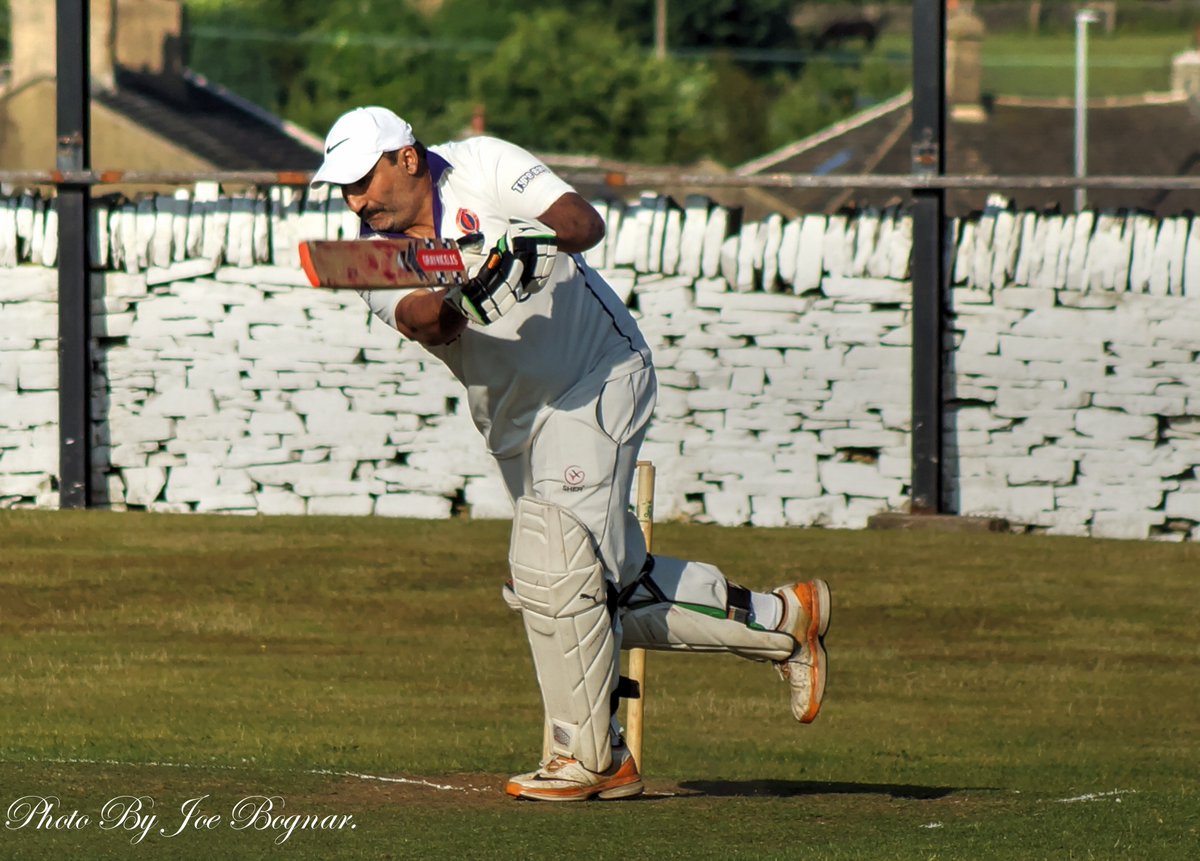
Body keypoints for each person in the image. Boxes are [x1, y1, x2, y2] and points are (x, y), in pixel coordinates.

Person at [310, 106, 832, 802]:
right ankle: (785, 620)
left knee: (554, 564)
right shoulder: (377, 255)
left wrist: (524, 242)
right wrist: (466, 289)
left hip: (598, 375)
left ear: (406, 156)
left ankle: (590, 756)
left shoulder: (483, 164)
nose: (355, 202)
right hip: (514, 422)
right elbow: (424, 323)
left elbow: (585, 223)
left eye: (361, 180)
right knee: (590, 584)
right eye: (342, 189)